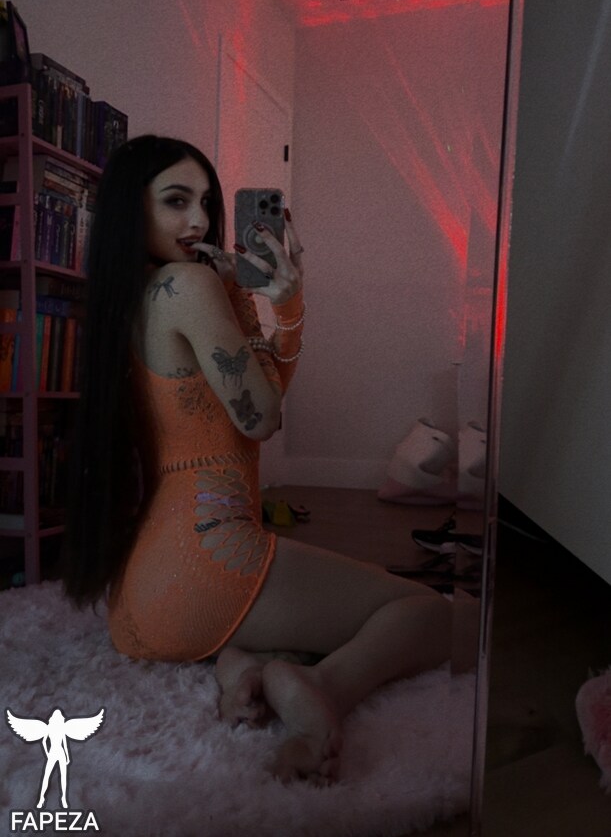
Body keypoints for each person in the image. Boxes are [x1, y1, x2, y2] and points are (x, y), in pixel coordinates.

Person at [62, 134, 452, 785]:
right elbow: (262, 417)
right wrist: (284, 308)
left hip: (141, 596)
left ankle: (238, 662)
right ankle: (324, 686)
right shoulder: (187, 285)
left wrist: (252, 304)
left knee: (328, 606)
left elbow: (252, 404)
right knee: (433, 613)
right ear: (132, 208)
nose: (199, 220)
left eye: (207, 203)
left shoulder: (131, 299)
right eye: (176, 201)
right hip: (203, 561)